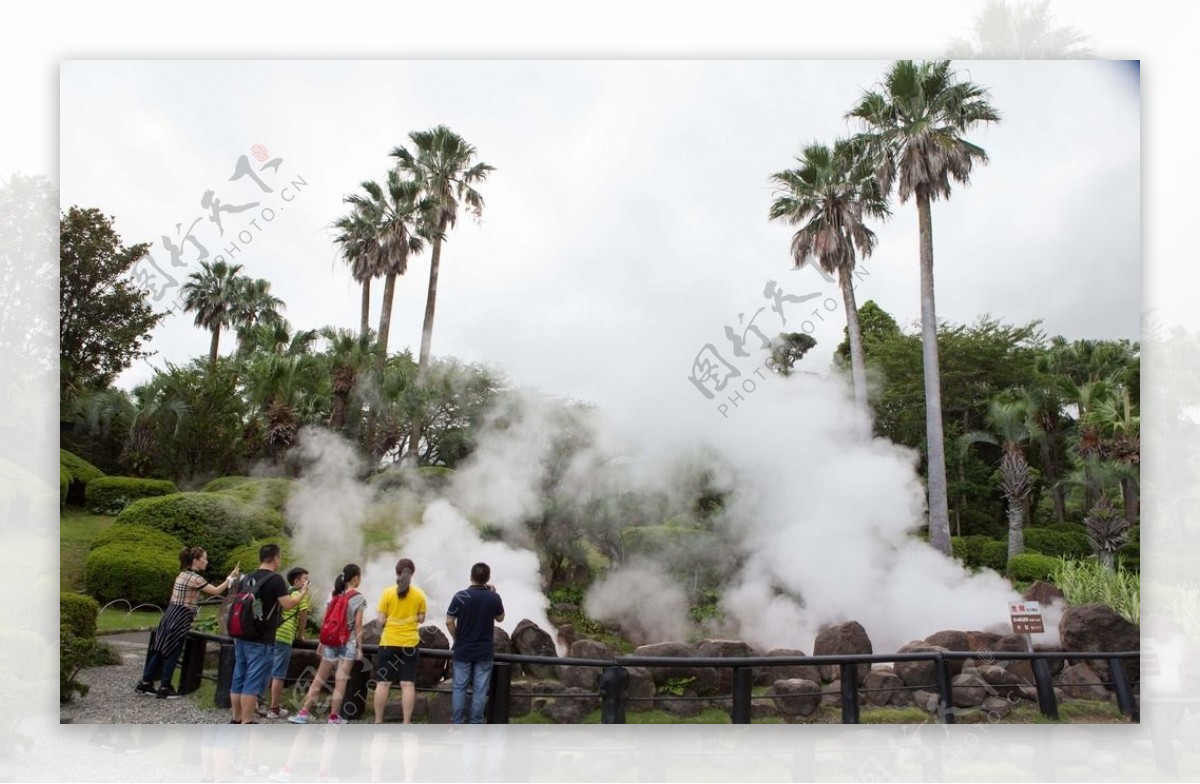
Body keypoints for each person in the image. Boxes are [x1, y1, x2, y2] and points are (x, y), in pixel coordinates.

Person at [136, 546, 239, 699]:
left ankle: (145, 682)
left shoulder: (182, 574)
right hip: (181, 615)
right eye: (204, 558)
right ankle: (164, 687)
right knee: (173, 650)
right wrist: (231, 577)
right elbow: (217, 591)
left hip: (170, 613)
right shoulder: (195, 578)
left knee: (159, 648)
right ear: (196, 560)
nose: (207, 561)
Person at [230, 544, 309, 724]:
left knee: (239, 676)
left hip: (241, 634)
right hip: (260, 638)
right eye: (279, 558)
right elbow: (288, 604)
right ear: (275, 558)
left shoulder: (246, 577)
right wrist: (303, 593)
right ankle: (247, 721)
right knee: (252, 680)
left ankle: (236, 719)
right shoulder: (275, 580)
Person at [289, 564, 366, 725]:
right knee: (341, 680)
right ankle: (333, 717)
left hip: (331, 642)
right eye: (360, 576)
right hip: (348, 642)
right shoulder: (359, 598)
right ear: (355, 578)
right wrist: (360, 647)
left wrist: (322, 641)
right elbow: (358, 625)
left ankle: (303, 713)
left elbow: (326, 620)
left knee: (319, 677)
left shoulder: (334, 595)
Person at [445, 562, 505, 724]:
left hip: (463, 649)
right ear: (488, 578)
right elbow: (500, 618)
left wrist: (456, 638)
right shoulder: (493, 597)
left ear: (471, 577)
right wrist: (492, 593)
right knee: (480, 690)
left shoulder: (460, 596)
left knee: (459, 688)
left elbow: (449, 621)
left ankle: (457, 723)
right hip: (484, 651)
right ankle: (476, 724)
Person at [373, 558, 427, 724]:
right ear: (413, 574)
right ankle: (406, 722)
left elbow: (381, 620)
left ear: (396, 572)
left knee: (383, 684)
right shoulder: (419, 595)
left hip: (389, 641)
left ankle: (378, 721)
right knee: (407, 684)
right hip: (409, 643)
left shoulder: (387, 593)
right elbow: (422, 618)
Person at [260, 566, 311, 719]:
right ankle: (274, 709)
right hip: (284, 636)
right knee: (279, 674)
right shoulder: (299, 595)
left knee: (265, 668)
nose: (308, 582)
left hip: (271, 634)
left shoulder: (285, 592)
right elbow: (303, 617)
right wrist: (301, 636)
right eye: (305, 579)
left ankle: (258, 701)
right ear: (297, 581)